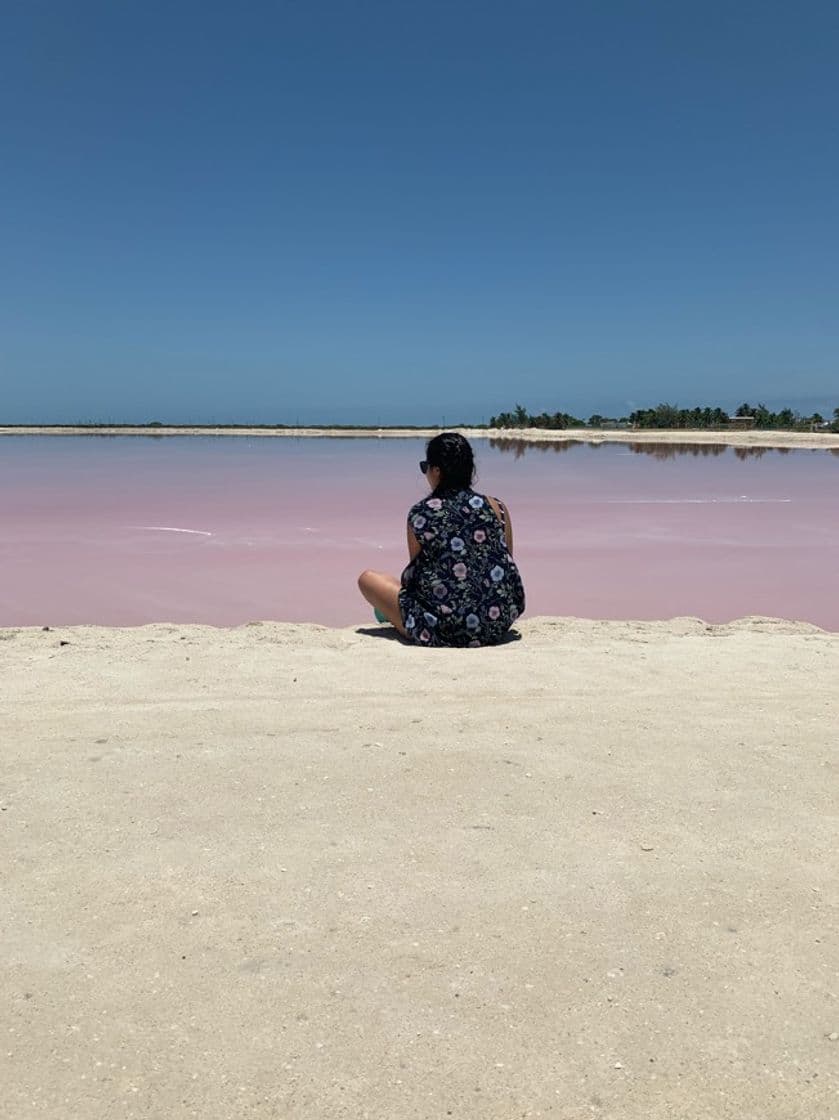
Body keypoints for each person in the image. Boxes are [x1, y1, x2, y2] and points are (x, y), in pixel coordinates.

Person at [358, 432, 525, 646]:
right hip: (496, 622)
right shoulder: (497, 507)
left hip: (443, 629)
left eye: (425, 466)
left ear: (436, 470)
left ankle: (387, 614)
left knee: (368, 579)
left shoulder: (421, 513)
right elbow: (505, 562)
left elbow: (418, 578)